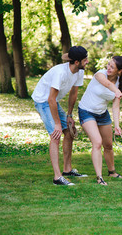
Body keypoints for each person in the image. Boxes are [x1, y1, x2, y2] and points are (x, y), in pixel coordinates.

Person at [32, 46, 89, 186]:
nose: (87, 61)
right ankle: (57, 178)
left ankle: (67, 170)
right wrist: (57, 123)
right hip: (43, 101)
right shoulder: (60, 73)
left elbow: (73, 93)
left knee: (68, 133)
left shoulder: (79, 72)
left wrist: (69, 115)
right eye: (85, 59)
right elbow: (50, 99)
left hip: (53, 101)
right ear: (76, 62)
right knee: (55, 135)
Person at [78, 56, 122, 185]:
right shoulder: (100, 74)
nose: (109, 68)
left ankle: (112, 172)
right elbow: (106, 83)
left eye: (112, 67)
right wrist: (116, 91)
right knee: (97, 142)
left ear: (120, 71)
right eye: (108, 64)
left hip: (102, 114)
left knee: (108, 145)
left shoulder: (119, 84)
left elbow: (115, 107)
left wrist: (117, 125)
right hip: (86, 111)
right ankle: (99, 177)